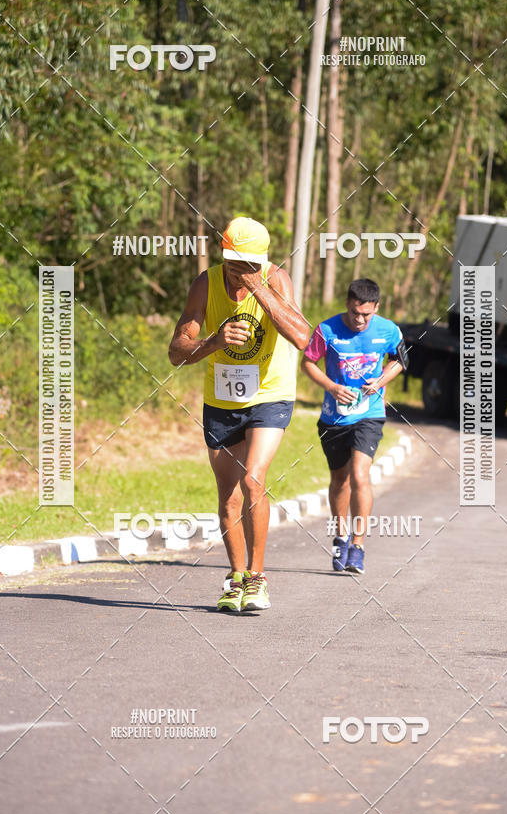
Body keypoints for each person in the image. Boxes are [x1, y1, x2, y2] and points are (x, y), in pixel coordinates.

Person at [168, 217, 309, 612]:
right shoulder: (206, 283)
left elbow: (302, 338)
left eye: (247, 262)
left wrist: (258, 288)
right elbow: (177, 353)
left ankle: (259, 578)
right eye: (232, 260)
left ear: (261, 260)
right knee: (228, 496)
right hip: (222, 398)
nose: (238, 269)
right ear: (223, 253)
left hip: (270, 393)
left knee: (253, 480)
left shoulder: (275, 279)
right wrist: (213, 341)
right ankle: (236, 578)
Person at [300, 278, 407, 575]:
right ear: (348, 304)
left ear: (376, 308)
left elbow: (400, 360)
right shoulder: (327, 329)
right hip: (333, 418)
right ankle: (340, 537)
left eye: (366, 315)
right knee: (340, 481)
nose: (360, 320)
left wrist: (381, 381)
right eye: (355, 313)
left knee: (360, 475)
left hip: (369, 414)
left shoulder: (388, 330)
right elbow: (307, 363)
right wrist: (332, 387)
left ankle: (358, 547)